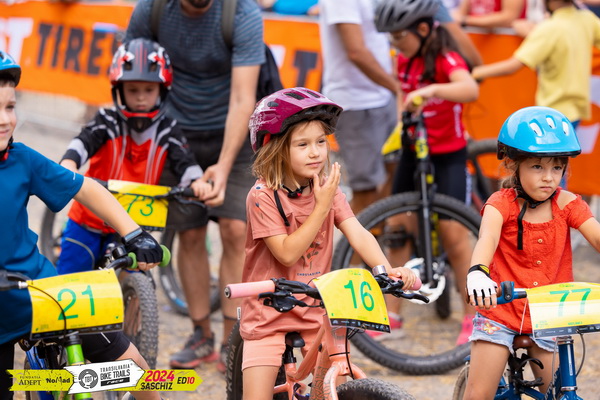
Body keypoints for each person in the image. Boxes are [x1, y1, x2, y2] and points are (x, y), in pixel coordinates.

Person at [0, 51, 163, 400]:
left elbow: (86, 188)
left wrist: (133, 233)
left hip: (41, 292)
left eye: (10, 107)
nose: (5, 120)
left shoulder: (21, 159)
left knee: (134, 368)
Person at [240, 87, 417, 398]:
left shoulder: (326, 190)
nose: (316, 152)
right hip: (268, 312)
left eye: (321, 142)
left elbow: (357, 231)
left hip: (315, 309)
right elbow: (286, 253)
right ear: (275, 149)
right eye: (303, 144)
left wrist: (387, 270)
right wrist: (321, 207)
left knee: (335, 384)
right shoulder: (262, 196)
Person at [125, 0, 265, 371]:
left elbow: (243, 97)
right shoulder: (151, 10)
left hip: (234, 133)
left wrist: (223, 164)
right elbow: (129, 77)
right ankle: (201, 334)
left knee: (236, 229)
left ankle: (233, 340)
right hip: (174, 135)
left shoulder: (242, 13)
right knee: (189, 233)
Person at [462, 106, 600, 399]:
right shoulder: (501, 204)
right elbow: (487, 239)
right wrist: (477, 273)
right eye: (537, 167)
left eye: (557, 168)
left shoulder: (568, 204)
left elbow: (597, 236)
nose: (549, 177)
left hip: (550, 314)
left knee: (560, 392)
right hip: (500, 309)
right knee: (479, 394)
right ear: (514, 165)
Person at [56, 38, 211, 275]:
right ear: (119, 90)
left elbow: (185, 162)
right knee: (71, 278)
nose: (140, 97)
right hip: (87, 220)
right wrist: (69, 162)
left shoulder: (168, 130)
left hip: (132, 227)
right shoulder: (106, 121)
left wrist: (197, 182)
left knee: (136, 278)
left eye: (149, 90)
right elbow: (83, 143)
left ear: (162, 90)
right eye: (133, 90)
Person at [373, 0, 479, 344]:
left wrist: (433, 90)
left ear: (422, 29)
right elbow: (403, 91)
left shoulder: (446, 57)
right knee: (397, 229)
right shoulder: (404, 57)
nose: (394, 44)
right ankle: (392, 315)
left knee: (454, 236)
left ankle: (473, 317)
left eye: (398, 36)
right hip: (413, 149)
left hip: (448, 153)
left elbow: (470, 88)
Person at [319, 0, 400, 216]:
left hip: (383, 97)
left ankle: (379, 231)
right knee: (366, 191)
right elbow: (355, 51)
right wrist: (398, 87)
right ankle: (358, 236)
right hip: (355, 103)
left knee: (396, 175)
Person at [472, 0, 600, 129]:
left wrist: (476, 73)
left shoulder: (549, 29)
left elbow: (512, 66)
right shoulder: (587, 19)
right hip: (577, 108)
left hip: (553, 110)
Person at [452, 0, 527, 28]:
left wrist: (466, 20)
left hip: (505, 44)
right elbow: (460, 14)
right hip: (476, 42)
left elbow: (509, 18)